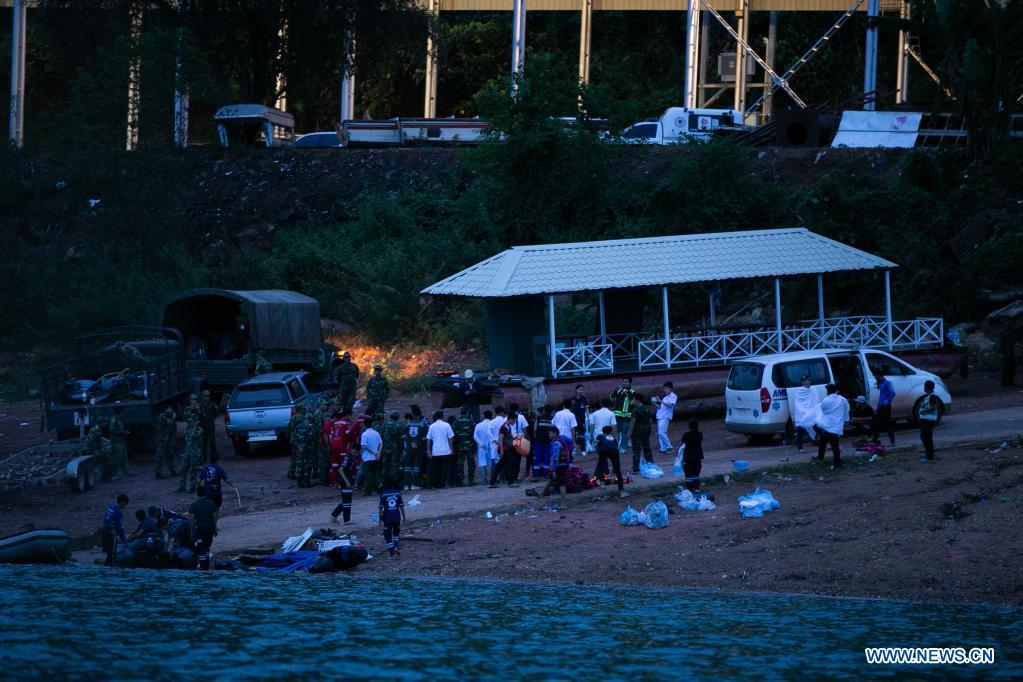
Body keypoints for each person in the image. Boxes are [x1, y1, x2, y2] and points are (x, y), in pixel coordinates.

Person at [814, 384, 849, 468]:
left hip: (827, 425)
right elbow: (847, 409)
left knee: (829, 443)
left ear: (828, 391)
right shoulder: (842, 399)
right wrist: (843, 419)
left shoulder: (825, 400)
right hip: (836, 426)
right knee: (830, 443)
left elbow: (823, 410)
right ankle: (821, 457)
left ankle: (837, 463)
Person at [189, 487, 219, 570]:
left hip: (200, 529)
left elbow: (192, 519)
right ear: (205, 493)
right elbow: (215, 515)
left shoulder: (194, 504)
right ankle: (206, 566)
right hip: (210, 528)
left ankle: (203, 568)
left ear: (197, 493)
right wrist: (215, 527)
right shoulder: (211, 503)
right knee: (207, 547)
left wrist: (192, 531)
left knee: (201, 547)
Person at [594, 425, 627, 498]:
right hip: (614, 451)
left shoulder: (599, 436)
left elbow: (596, 444)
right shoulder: (613, 437)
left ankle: (602, 484)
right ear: (611, 432)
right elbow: (615, 446)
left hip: (603, 450)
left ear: (603, 431)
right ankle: (621, 491)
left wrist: (598, 452)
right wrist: (613, 471)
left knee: (601, 466)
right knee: (618, 470)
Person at [791, 375, 820, 455]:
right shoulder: (799, 391)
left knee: (818, 429)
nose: (806, 382)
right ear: (802, 382)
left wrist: (813, 412)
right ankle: (800, 448)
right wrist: (804, 412)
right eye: (804, 381)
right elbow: (797, 403)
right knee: (800, 431)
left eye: (807, 380)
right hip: (802, 414)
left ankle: (824, 444)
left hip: (812, 413)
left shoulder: (813, 390)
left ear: (810, 381)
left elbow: (816, 401)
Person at [402, 405, 429, 490]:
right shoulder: (423, 424)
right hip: (419, 447)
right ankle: (414, 485)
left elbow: (403, 436)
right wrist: (424, 448)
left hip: (409, 447)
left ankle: (406, 485)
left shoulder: (407, 424)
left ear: (413, 413)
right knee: (416, 465)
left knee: (407, 466)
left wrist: (409, 443)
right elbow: (424, 438)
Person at [329, 441, 356, 524]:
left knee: (346, 501)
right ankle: (346, 520)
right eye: (356, 452)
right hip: (345, 482)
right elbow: (340, 470)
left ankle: (334, 516)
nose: (357, 454)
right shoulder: (348, 457)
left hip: (348, 481)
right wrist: (347, 481)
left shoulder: (352, 457)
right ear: (354, 450)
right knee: (347, 501)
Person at [426, 411, 455, 488]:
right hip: (446, 450)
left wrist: (428, 450)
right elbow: (450, 438)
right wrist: (451, 449)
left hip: (435, 451)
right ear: (442, 416)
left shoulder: (431, 426)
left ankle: (434, 484)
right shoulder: (447, 425)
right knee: (445, 468)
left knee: (435, 468)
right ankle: (443, 483)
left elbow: (428, 439)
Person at [379, 478, 406, 558]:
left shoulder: (383, 494)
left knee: (387, 534)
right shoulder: (398, 493)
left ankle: (391, 551)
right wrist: (404, 517)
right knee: (396, 532)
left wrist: (380, 519)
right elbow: (402, 507)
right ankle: (396, 546)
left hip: (387, 517)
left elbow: (380, 508)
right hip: (397, 517)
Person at [547, 426, 574, 509]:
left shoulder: (556, 443)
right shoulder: (564, 439)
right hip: (565, 464)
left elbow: (555, 457)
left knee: (561, 484)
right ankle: (542, 495)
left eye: (550, 433)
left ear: (554, 433)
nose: (549, 435)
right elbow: (571, 447)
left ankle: (563, 504)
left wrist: (554, 470)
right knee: (551, 480)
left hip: (559, 466)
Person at [176, 414, 203, 493]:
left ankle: (192, 487)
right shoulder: (189, 429)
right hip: (187, 452)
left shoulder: (199, 430)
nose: (189, 423)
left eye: (191, 421)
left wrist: (195, 426)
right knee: (183, 469)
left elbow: (194, 436)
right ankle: (181, 486)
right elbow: (186, 440)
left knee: (193, 471)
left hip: (194, 454)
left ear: (195, 422)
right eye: (189, 421)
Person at [326, 409, 353, 488]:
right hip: (342, 447)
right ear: (347, 415)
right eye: (350, 416)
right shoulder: (346, 423)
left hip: (334, 446)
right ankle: (342, 483)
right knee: (343, 465)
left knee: (334, 465)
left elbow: (330, 436)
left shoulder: (335, 423)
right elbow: (348, 434)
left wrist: (332, 445)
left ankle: (333, 483)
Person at [610, 377, 637, 451]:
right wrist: (614, 391)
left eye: (626, 382)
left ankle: (623, 447)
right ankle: (615, 447)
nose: (624, 383)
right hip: (617, 416)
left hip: (626, 417)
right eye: (623, 382)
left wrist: (627, 394)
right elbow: (611, 399)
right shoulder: (619, 390)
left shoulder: (633, 391)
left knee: (625, 433)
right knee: (616, 432)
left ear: (630, 383)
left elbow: (632, 403)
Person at [101, 494, 129, 566]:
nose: (125, 506)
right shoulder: (118, 513)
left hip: (105, 532)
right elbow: (120, 528)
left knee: (108, 553)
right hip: (111, 533)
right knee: (112, 554)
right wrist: (124, 541)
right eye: (125, 504)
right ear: (122, 502)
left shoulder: (110, 508)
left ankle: (106, 567)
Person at [293, 413, 319, 488]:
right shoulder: (311, 426)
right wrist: (304, 447)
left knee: (299, 465)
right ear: (310, 419)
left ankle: (299, 482)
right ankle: (306, 482)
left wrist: (299, 447)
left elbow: (294, 438)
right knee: (307, 465)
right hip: (308, 449)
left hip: (298, 449)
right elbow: (310, 438)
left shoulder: (297, 426)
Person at [870, 370, 896, 446]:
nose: (874, 377)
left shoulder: (886, 383)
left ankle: (892, 441)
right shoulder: (880, 383)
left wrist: (887, 402)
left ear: (879, 375)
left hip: (885, 407)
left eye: (875, 376)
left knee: (887, 424)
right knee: (877, 423)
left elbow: (893, 393)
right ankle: (874, 440)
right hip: (880, 406)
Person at [630, 393, 654, 473]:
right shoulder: (647, 409)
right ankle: (651, 465)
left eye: (633, 399)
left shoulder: (635, 410)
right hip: (646, 432)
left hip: (637, 433)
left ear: (637, 400)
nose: (632, 401)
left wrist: (629, 432)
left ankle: (636, 468)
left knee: (636, 451)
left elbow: (633, 421)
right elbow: (650, 421)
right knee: (647, 449)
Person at [360, 415, 383, 495]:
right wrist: (378, 453)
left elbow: (364, 446)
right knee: (375, 473)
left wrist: (374, 453)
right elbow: (381, 443)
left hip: (367, 458)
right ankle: (379, 485)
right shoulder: (376, 433)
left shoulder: (364, 434)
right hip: (376, 458)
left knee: (368, 475)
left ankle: (368, 491)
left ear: (364, 425)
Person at [918, 380, 940, 463]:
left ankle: (929, 457)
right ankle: (928, 454)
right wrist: (923, 405)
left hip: (928, 420)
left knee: (926, 438)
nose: (923, 388)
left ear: (927, 387)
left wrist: (925, 410)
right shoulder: (929, 396)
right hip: (926, 420)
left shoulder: (932, 396)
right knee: (924, 437)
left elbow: (935, 406)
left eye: (924, 386)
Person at [380, 411, 405, 486]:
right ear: (397, 417)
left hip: (385, 448)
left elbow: (381, 436)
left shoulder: (385, 424)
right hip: (395, 449)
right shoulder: (399, 425)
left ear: (391, 417)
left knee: (385, 465)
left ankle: (383, 482)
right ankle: (393, 482)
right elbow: (401, 440)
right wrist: (401, 449)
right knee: (394, 465)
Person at [452, 407, 475, 486]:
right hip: (469, 445)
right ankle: (471, 480)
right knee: (471, 463)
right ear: (467, 412)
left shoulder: (455, 421)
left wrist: (454, 446)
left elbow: (453, 434)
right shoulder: (470, 421)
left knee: (460, 464)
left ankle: (460, 481)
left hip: (459, 446)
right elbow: (473, 434)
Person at [153, 404, 177, 479]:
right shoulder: (162, 416)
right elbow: (168, 425)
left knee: (170, 455)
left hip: (168, 440)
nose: (170, 410)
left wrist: (173, 439)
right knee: (159, 457)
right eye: (169, 408)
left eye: (171, 408)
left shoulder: (171, 417)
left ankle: (172, 470)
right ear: (165, 409)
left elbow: (174, 429)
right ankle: (158, 473)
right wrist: (173, 418)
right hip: (161, 440)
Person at [680, 419, 704, 492]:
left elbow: (682, 443)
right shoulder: (700, 434)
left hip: (688, 457)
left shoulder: (686, 435)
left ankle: (690, 488)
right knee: (696, 472)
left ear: (689, 426)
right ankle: (696, 487)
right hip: (697, 456)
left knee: (688, 473)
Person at [654, 382, 678, 454]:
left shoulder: (673, 396)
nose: (665, 390)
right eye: (664, 389)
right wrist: (654, 402)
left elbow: (670, 405)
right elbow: (660, 407)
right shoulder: (665, 397)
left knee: (662, 432)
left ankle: (669, 447)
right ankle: (663, 448)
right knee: (659, 433)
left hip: (665, 417)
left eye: (666, 388)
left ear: (670, 388)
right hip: (660, 416)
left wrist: (661, 401)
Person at [197, 390, 220, 464]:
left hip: (210, 425)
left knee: (212, 442)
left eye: (208, 396)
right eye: (206, 396)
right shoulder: (199, 405)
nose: (207, 397)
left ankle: (214, 459)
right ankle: (203, 459)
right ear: (202, 397)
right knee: (203, 442)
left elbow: (216, 414)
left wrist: (211, 419)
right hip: (203, 426)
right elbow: (197, 416)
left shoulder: (212, 404)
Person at [531, 406, 554, 480]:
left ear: (544, 411)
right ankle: (545, 475)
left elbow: (535, 430)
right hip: (548, 442)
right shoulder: (552, 419)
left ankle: (535, 476)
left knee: (537, 458)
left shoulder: (539, 418)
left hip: (539, 441)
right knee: (546, 458)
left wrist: (535, 438)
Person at [473, 410, 494, 485]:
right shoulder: (492, 424)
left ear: (483, 416)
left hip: (482, 447)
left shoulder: (478, 425)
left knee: (482, 462)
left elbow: (475, 436)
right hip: (491, 445)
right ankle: (493, 478)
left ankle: (484, 480)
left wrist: (481, 444)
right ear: (491, 416)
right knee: (492, 462)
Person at [287, 404, 307, 480]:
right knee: (298, 457)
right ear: (301, 409)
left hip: (293, 439)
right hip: (298, 439)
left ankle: (291, 472)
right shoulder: (300, 417)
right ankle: (295, 474)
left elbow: (289, 428)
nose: (304, 410)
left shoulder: (293, 417)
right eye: (303, 409)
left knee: (294, 457)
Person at [108, 407, 129, 477]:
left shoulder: (119, 419)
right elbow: (112, 430)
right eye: (123, 412)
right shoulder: (114, 419)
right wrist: (123, 432)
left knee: (124, 456)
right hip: (116, 442)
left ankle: (126, 472)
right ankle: (114, 472)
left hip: (121, 441)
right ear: (121, 412)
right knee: (118, 457)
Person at [568, 386, 589, 451]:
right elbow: (570, 409)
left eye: (582, 390)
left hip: (581, 420)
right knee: (573, 434)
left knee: (582, 435)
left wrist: (587, 418)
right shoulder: (572, 399)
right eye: (580, 390)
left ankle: (583, 450)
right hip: (573, 420)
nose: (581, 391)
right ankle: (574, 449)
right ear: (576, 390)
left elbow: (587, 409)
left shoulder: (584, 398)